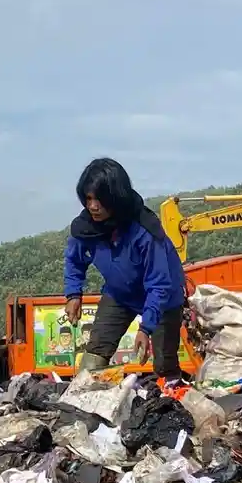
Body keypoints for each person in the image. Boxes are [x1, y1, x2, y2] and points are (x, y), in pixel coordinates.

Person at [63, 158, 186, 379]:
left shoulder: (145, 231)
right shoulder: (86, 229)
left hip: (163, 299)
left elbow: (159, 284)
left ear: (115, 198)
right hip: (119, 294)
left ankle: (175, 398)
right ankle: (85, 405)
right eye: (88, 199)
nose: (93, 206)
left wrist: (145, 328)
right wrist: (73, 293)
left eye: (99, 200)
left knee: (164, 366)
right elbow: (74, 260)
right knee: (94, 356)